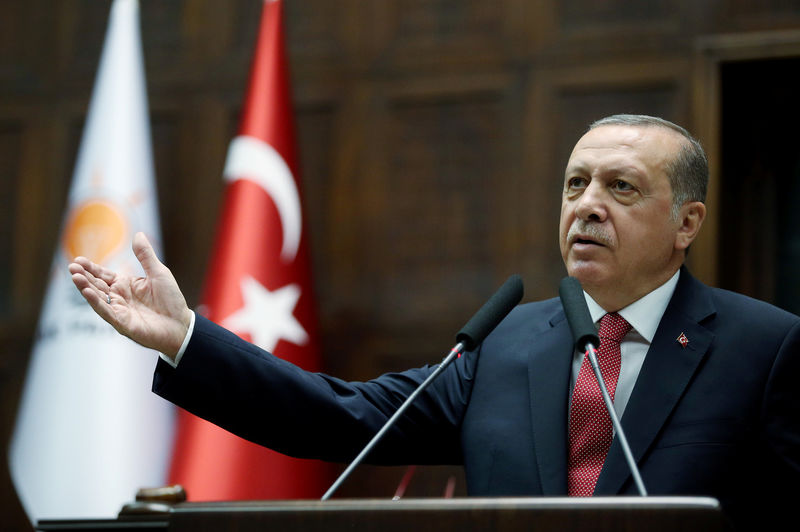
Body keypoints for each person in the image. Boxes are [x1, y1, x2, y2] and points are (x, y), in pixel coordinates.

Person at [69, 114, 799, 529]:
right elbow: (345, 419)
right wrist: (185, 341)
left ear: (686, 222)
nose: (587, 205)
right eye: (575, 183)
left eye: (622, 187)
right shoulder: (506, 343)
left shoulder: (764, 349)